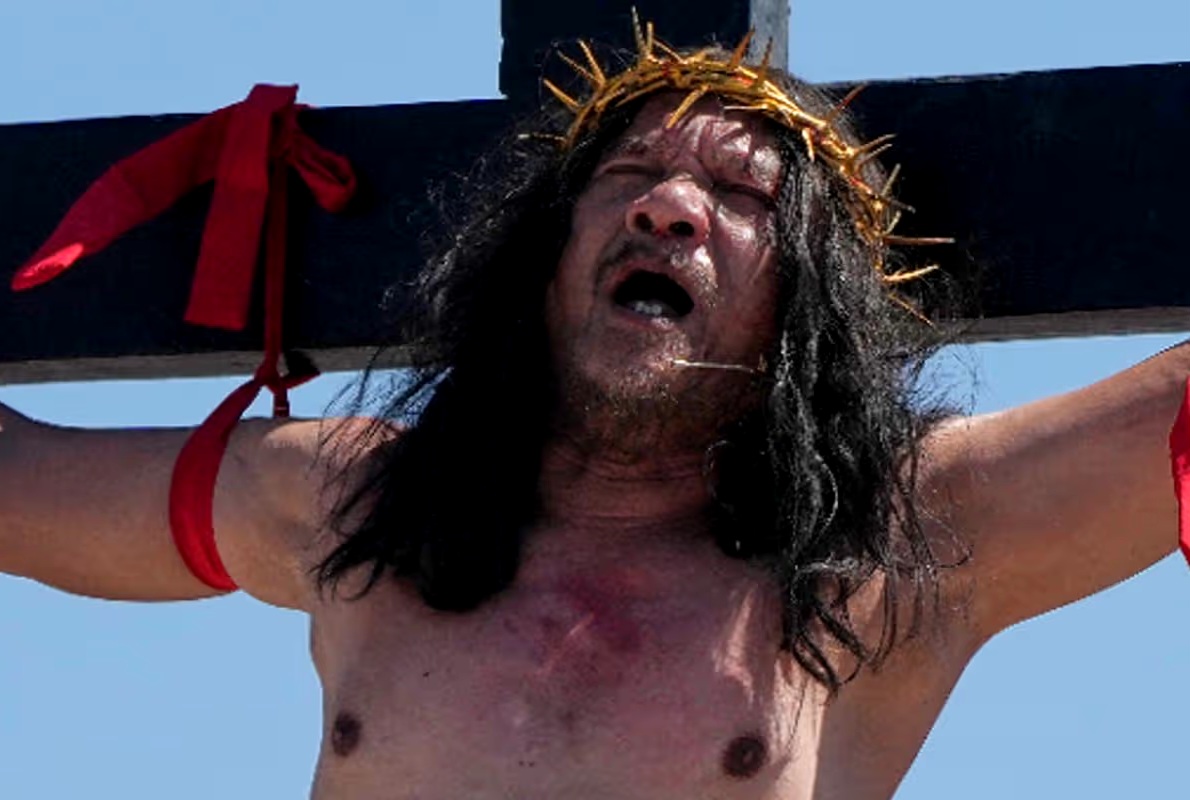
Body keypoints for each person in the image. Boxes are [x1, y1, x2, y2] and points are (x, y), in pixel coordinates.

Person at [0, 28, 1184, 800]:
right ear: (545, 261)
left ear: (799, 308)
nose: (666, 207)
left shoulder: (898, 541)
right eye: (624, 176)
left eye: (736, 193)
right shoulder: (353, 501)